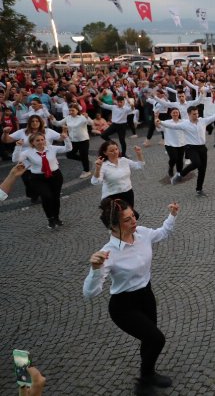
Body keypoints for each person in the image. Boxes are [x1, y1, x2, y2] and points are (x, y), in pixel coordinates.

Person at [83, 199, 180, 396]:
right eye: (127, 220)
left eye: (133, 215)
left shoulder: (142, 234)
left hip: (146, 295)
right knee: (156, 339)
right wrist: (94, 270)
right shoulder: (108, 253)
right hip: (124, 306)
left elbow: (162, 233)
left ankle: (148, 374)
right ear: (113, 226)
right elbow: (89, 292)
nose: (134, 221)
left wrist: (172, 215)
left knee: (148, 338)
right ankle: (143, 383)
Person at [158, 104, 215, 196]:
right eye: (194, 114)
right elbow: (171, 126)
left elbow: (214, 116)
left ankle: (199, 189)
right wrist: (161, 122)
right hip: (191, 148)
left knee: (202, 170)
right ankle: (180, 175)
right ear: (189, 114)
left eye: (197, 113)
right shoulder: (184, 124)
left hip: (202, 148)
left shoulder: (203, 121)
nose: (196, 116)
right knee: (196, 163)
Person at [12, 131, 72, 228]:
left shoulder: (52, 148)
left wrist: (66, 138)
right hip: (38, 178)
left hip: (55, 176)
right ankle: (50, 219)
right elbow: (15, 159)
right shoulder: (28, 152)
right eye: (37, 140)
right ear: (32, 143)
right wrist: (18, 147)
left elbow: (68, 148)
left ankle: (56, 217)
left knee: (56, 198)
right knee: (47, 196)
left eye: (42, 139)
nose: (41, 142)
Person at [91, 140, 145, 209]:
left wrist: (139, 154)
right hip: (112, 196)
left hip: (128, 193)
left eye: (116, 149)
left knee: (131, 216)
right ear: (105, 153)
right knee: (119, 218)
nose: (115, 152)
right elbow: (95, 182)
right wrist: (98, 169)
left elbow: (140, 166)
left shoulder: (124, 160)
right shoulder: (103, 166)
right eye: (111, 151)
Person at [50, 103, 94, 178]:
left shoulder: (82, 117)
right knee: (69, 155)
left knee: (84, 155)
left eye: (72, 110)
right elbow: (58, 124)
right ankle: (84, 160)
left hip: (83, 140)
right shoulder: (68, 117)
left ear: (77, 110)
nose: (70, 112)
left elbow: (91, 123)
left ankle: (86, 171)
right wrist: (53, 119)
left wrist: (87, 117)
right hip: (73, 141)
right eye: (69, 110)